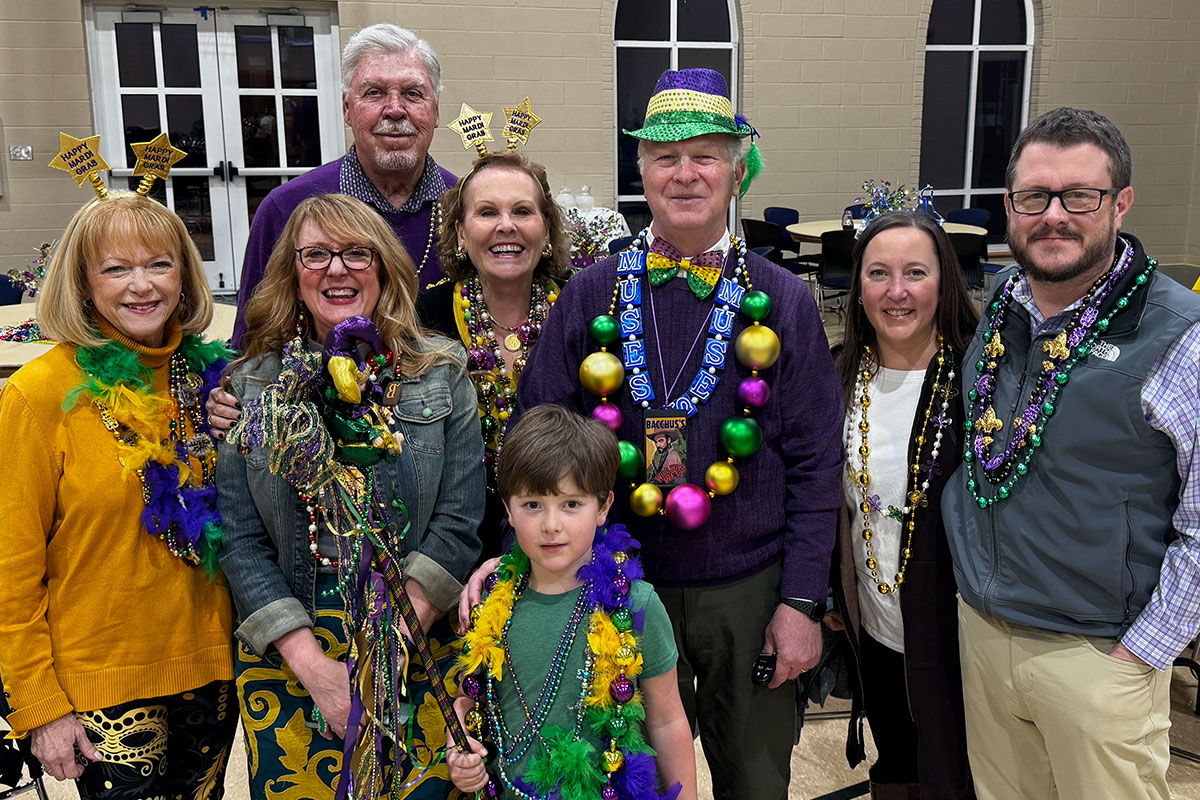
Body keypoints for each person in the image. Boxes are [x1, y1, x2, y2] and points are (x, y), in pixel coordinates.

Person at [465, 68, 845, 800]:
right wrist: (512, 564)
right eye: (664, 157)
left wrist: (801, 602)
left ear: (739, 170)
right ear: (641, 172)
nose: (685, 173)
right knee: (619, 778)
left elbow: (816, 463)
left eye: (705, 155)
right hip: (611, 584)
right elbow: (534, 442)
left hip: (750, 589)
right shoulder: (592, 291)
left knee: (756, 782)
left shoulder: (785, 298)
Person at [943, 107, 1200, 800]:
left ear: (1121, 203)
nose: (1054, 215)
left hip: (1096, 655)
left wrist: (1138, 656)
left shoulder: (1180, 336)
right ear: (1009, 207)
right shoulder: (1003, 303)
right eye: (1035, 197)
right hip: (987, 634)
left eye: (1079, 196)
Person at [216, 193, 485, 799]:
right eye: (315, 255)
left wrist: (385, 653)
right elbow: (237, 537)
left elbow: (460, 519)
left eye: (356, 253)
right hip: (293, 657)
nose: (336, 270)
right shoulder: (250, 385)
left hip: (417, 639)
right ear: (292, 273)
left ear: (385, 268)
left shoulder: (440, 370)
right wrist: (319, 673)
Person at [0, 192, 237, 798]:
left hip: (212, 669)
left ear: (184, 273)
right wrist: (38, 705)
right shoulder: (39, 393)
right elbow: (10, 567)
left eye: (159, 264)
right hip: (98, 684)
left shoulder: (214, 381)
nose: (142, 286)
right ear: (82, 282)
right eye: (115, 268)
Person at [447, 404, 697, 799]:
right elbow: (471, 701)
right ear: (508, 510)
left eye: (571, 504)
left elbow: (667, 721)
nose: (551, 525)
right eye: (532, 505)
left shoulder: (634, 605)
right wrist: (458, 748)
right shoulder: (491, 600)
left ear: (603, 508)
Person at [830, 210, 977, 800]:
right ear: (857, 286)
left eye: (915, 272)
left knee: (956, 767)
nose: (896, 292)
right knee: (898, 762)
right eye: (878, 273)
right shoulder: (840, 373)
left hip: (957, 632)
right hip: (875, 624)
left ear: (943, 283)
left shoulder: (976, 377)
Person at [231, 23, 455, 347]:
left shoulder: (471, 212)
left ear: (435, 111)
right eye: (374, 93)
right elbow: (252, 342)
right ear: (347, 109)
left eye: (412, 94)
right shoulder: (286, 208)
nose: (394, 110)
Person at [417, 150, 571, 558]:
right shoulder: (418, 319)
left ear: (548, 229)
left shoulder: (583, 310)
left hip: (566, 538)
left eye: (522, 211)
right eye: (487, 213)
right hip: (448, 544)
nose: (506, 226)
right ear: (461, 234)